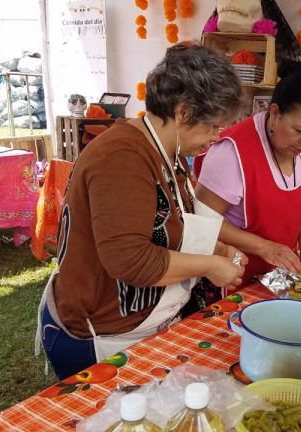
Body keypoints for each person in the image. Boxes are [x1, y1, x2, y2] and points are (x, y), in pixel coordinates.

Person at [36, 42, 248, 380]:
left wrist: (218, 249)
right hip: (102, 337)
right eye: (212, 126)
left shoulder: (167, 151)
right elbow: (130, 260)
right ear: (183, 112)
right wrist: (209, 265)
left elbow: (169, 225)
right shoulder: (122, 158)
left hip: (146, 323)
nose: (216, 137)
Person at [194, 61, 301, 286]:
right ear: (275, 113)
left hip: (279, 278)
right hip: (231, 278)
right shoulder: (232, 151)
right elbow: (201, 219)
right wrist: (264, 247)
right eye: (299, 130)